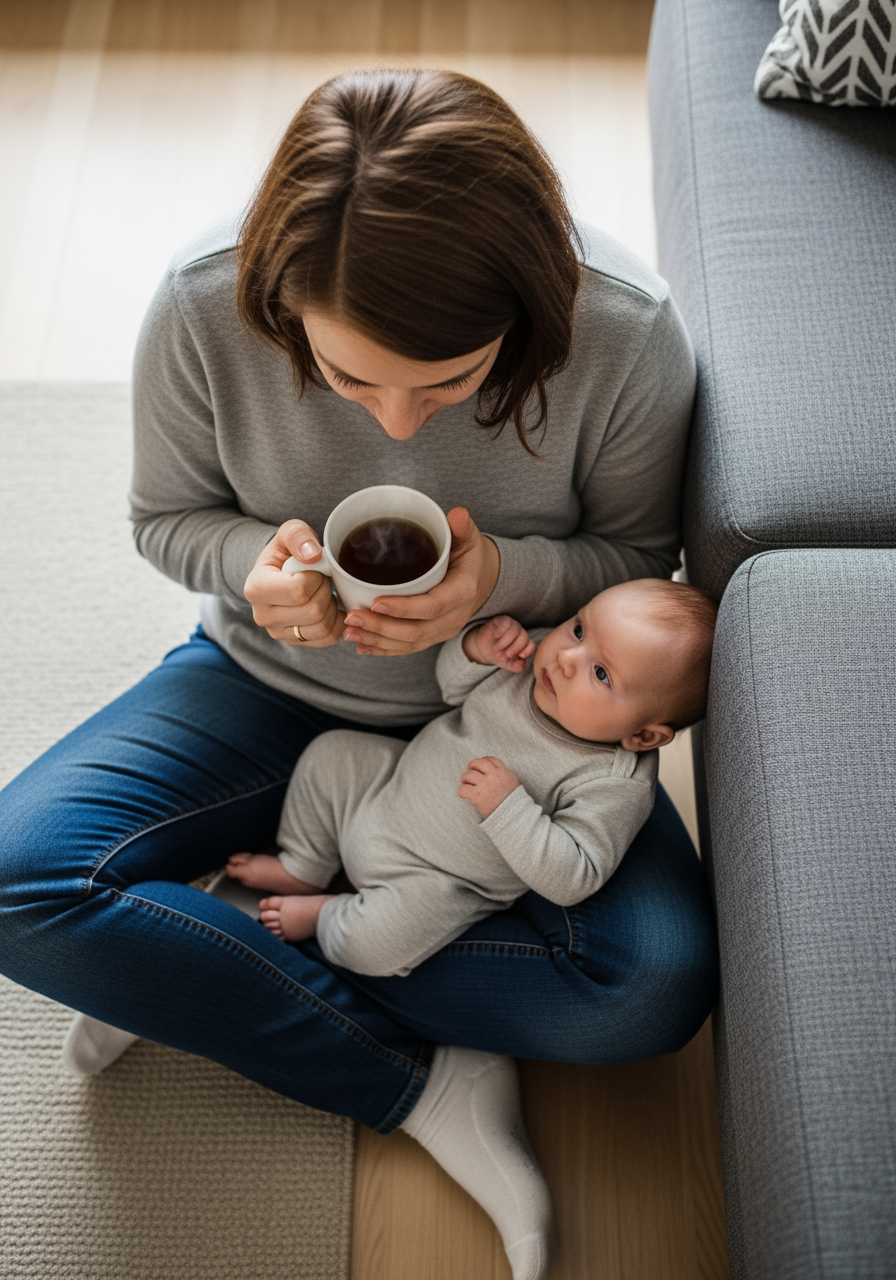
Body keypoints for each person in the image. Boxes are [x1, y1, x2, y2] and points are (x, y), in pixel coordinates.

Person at [0, 68, 718, 1280]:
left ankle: (198, 952)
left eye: (446, 386)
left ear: (532, 312)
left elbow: (643, 562)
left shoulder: (626, 333)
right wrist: (255, 572)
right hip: (264, 685)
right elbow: (166, 518)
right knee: (21, 881)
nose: (395, 425)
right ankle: (417, 1074)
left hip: (529, 734)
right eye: (348, 380)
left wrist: (500, 582)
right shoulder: (199, 304)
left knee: (644, 994)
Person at [226, 580, 718, 981]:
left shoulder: (613, 781)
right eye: (579, 628)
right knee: (330, 755)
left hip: (436, 879)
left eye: (602, 674)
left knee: (372, 949)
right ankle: (304, 862)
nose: (567, 657)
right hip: (386, 787)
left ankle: (326, 913)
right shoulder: (530, 661)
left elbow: (575, 877)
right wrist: (475, 649)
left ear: (644, 735)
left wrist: (509, 808)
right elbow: (452, 686)